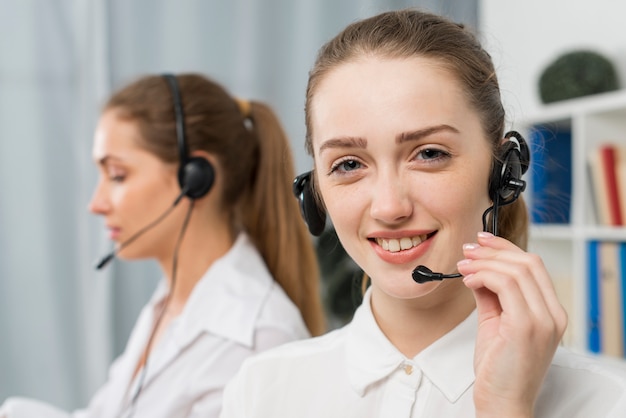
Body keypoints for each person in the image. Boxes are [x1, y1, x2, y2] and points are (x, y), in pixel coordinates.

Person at [220, 9, 626, 417]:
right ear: (314, 193)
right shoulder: (260, 391)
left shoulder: (607, 402)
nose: (389, 207)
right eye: (348, 164)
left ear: (504, 171)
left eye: (429, 154)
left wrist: (506, 407)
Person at [0, 73, 325, 417]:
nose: (95, 203)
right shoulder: (171, 302)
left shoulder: (258, 339)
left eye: (117, 175)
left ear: (196, 178)